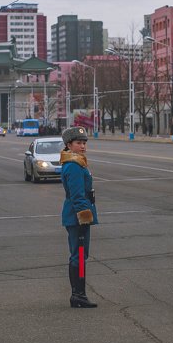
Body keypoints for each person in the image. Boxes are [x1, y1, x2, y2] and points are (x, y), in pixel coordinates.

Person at [60, 126, 99, 309]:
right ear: (69, 145)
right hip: (78, 216)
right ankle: (78, 295)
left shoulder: (77, 162)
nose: (82, 146)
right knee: (79, 255)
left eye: (84, 143)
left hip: (78, 215)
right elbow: (77, 195)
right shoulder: (74, 166)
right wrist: (85, 217)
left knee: (81, 255)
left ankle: (79, 294)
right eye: (78, 143)